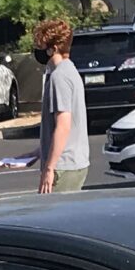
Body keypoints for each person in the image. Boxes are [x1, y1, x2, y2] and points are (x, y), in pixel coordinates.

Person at [32, 18, 89, 195]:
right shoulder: (70, 71)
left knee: (49, 219)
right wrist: (39, 151)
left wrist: (49, 169)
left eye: (41, 47)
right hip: (73, 163)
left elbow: (63, 126)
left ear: (53, 48)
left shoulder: (60, 77)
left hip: (63, 167)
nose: (38, 51)